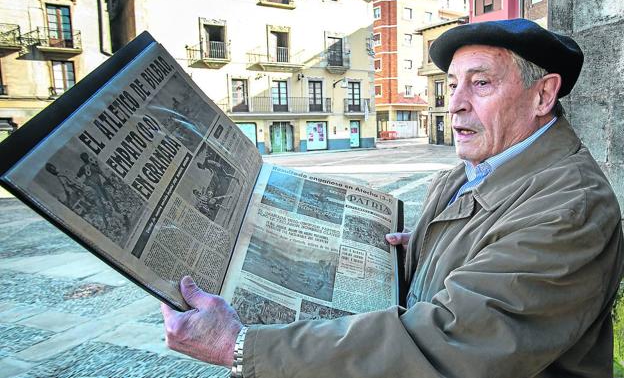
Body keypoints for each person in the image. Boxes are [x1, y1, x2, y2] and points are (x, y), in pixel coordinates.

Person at [161, 19, 624, 377]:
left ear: (543, 95)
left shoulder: (571, 208)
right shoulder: (468, 172)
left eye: (480, 83)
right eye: (453, 83)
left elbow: (449, 344)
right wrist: (406, 257)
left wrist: (242, 347)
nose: (455, 102)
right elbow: (468, 267)